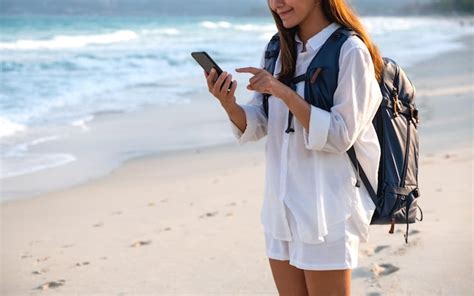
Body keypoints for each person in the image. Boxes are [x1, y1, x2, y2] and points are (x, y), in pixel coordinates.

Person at [203, 0, 383, 295]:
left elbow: (340, 135)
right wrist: (228, 103)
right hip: (280, 209)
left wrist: (282, 91)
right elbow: (260, 122)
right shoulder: (277, 49)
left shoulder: (350, 51)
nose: (276, 4)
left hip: (327, 210)